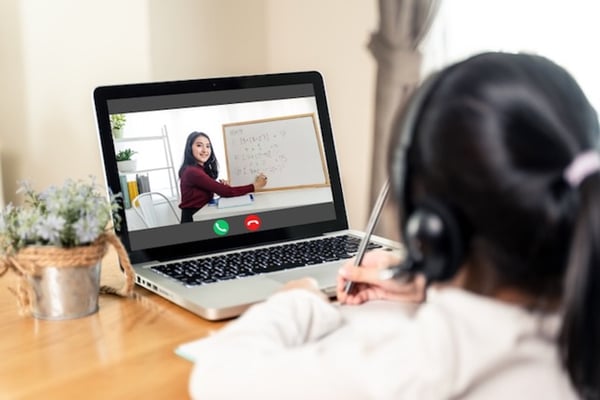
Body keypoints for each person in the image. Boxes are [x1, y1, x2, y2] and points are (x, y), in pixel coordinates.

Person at [187, 52, 600, 399]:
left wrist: (299, 300)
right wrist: (426, 283)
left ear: (433, 230)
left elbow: (218, 376)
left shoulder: (428, 366)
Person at [178, 131, 267, 223]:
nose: (205, 150)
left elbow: (207, 193)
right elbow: (227, 192)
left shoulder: (199, 169)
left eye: (208, 146)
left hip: (199, 215)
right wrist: (255, 186)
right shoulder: (193, 171)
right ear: (189, 148)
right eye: (199, 145)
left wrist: (221, 188)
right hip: (193, 219)